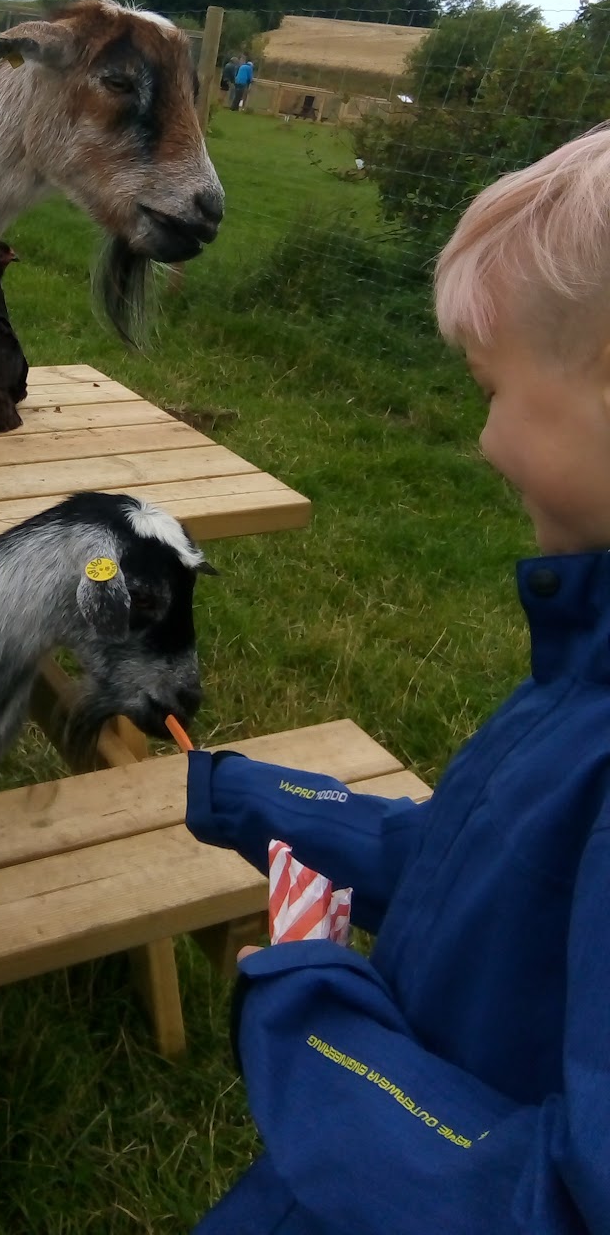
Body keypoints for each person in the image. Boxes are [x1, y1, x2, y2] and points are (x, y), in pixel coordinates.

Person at [185, 120, 610, 1234]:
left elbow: (559, 1201)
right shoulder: (588, 670)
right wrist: (253, 799)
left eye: (491, 388)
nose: (481, 441)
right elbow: (471, 866)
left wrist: (310, 1006)